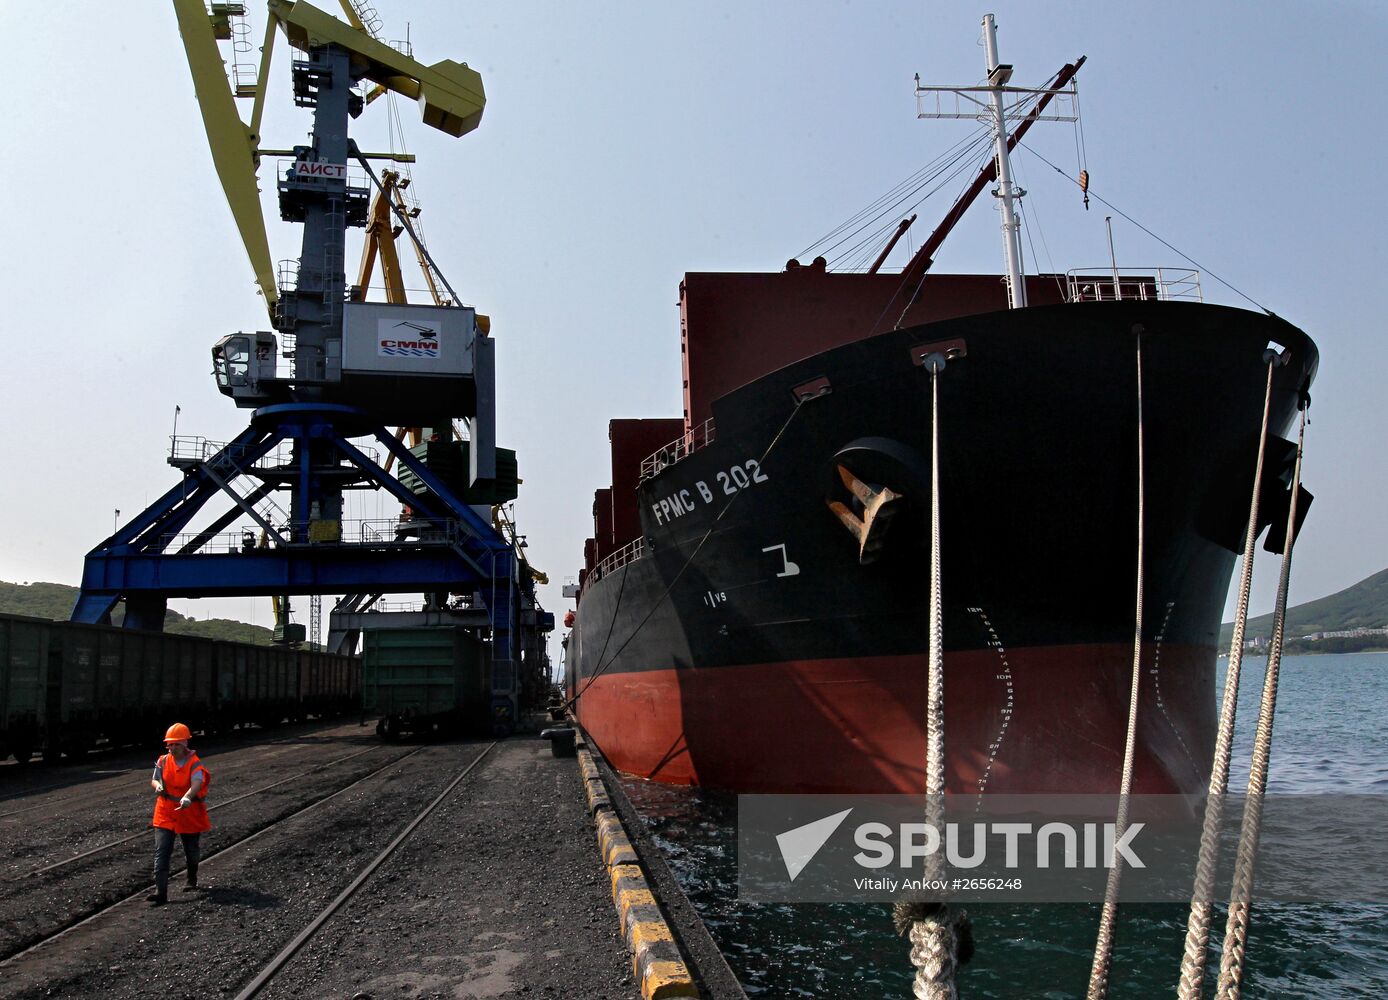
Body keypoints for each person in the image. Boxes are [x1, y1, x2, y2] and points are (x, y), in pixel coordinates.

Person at [148, 722, 211, 905]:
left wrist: (188, 797)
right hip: (165, 811)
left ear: (185, 745)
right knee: (162, 851)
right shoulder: (162, 760)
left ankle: (192, 878)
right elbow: (154, 779)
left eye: (176, 744)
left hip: (188, 810)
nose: (172, 748)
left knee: (191, 850)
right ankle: (161, 892)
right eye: (170, 744)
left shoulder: (194, 763)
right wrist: (158, 786)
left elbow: (197, 783)